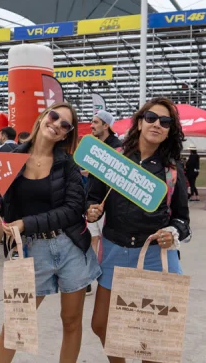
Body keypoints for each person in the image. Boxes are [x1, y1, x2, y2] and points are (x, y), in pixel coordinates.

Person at [0, 102, 100, 362]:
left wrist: (25, 223)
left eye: (65, 125)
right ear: (43, 117)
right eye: (54, 116)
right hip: (30, 251)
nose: (57, 124)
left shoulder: (68, 165)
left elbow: (72, 210)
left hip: (70, 248)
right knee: (15, 323)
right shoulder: (10, 158)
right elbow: (5, 198)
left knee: (71, 322)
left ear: (67, 134)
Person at [85, 98, 191, 362]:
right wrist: (91, 209)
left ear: (170, 131)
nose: (157, 124)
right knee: (101, 324)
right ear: (140, 121)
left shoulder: (172, 170)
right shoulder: (114, 159)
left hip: (155, 255)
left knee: (151, 335)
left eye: (165, 122)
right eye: (152, 118)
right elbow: (93, 196)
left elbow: (183, 221)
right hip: (114, 251)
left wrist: (172, 232)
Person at [84, 110, 122, 295]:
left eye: (95, 122)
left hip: (108, 205)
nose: (92, 125)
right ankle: (91, 278)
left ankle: (106, 280)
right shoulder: (94, 145)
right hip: (92, 203)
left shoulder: (118, 147)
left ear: (106, 125)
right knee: (91, 240)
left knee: (105, 243)